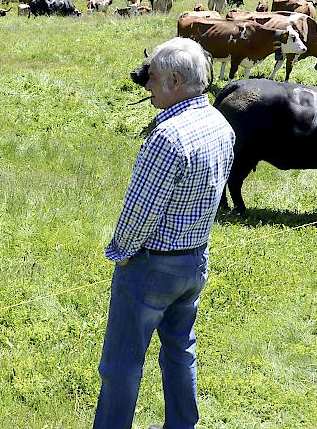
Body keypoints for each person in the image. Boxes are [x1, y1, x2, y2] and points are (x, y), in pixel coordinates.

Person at [93, 37, 235, 429]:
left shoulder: (167, 137)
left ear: (175, 79)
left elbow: (139, 212)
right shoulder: (220, 124)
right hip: (195, 261)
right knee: (180, 350)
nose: (147, 84)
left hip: (152, 267)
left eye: (153, 77)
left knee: (121, 363)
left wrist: (121, 251)